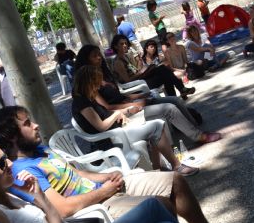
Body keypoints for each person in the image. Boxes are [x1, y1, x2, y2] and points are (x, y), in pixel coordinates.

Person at [0, 106, 247, 223]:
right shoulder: (23, 172)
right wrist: (104, 191)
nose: (35, 125)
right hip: (97, 205)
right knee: (161, 203)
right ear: (12, 135)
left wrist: (102, 177)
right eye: (26, 123)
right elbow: (64, 209)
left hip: (106, 188)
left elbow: (73, 172)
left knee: (175, 180)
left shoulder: (41, 150)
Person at [0, 142, 222, 223]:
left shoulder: (12, 198)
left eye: (6, 157)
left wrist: (39, 198)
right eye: (1, 163)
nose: (9, 164)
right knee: (155, 206)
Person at [71, 65, 200, 176]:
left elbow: (104, 114)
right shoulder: (81, 102)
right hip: (109, 140)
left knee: (154, 126)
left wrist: (123, 113)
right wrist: (116, 115)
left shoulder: (87, 98)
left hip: (114, 133)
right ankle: (175, 166)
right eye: (96, 82)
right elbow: (101, 126)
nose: (99, 86)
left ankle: (158, 170)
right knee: (156, 127)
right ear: (88, 82)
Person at [109, 36, 196, 99]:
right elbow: (127, 81)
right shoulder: (118, 62)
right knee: (165, 74)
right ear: (116, 46)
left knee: (162, 69)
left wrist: (143, 68)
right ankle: (179, 92)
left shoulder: (125, 57)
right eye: (121, 44)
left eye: (125, 43)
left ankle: (176, 96)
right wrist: (140, 72)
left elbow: (135, 72)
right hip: (136, 87)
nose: (125, 45)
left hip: (140, 80)